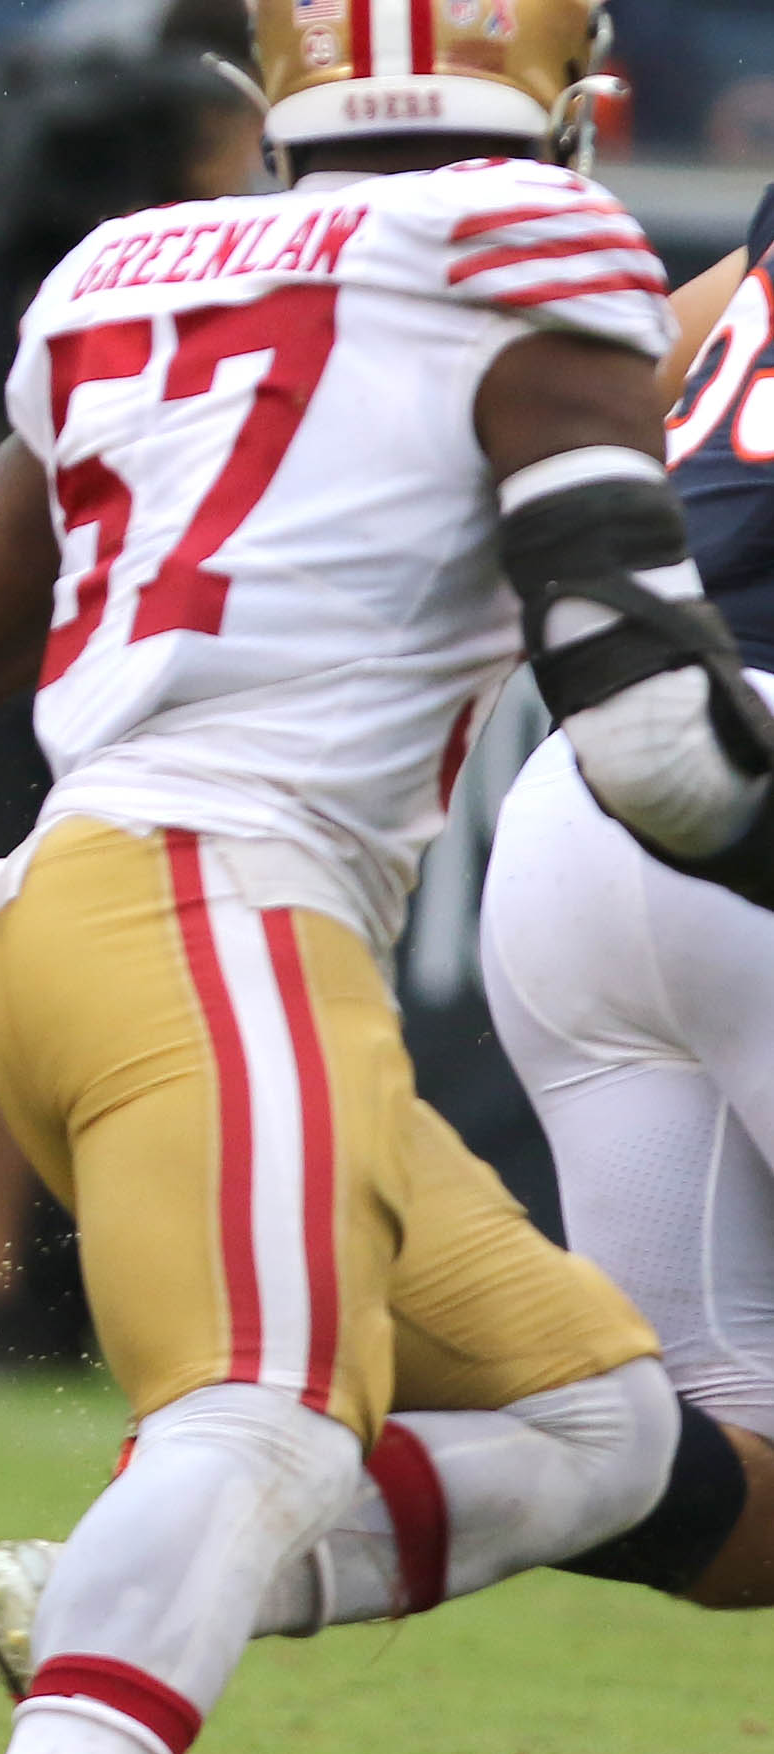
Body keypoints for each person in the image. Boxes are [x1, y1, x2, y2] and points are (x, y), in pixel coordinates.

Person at [0, 1, 769, 1754]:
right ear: (564, 96)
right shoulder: (538, 240)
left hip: (77, 914)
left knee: (605, 1433)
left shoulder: (121, 264)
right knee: (263, 1417)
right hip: (230, 915)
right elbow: (652, 741)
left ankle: (137, 1604)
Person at [478, 183, 774, 1607]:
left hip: (594, 788)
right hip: (742, 809)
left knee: (733, 1475)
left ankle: (245, 1511)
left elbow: (637, 373)